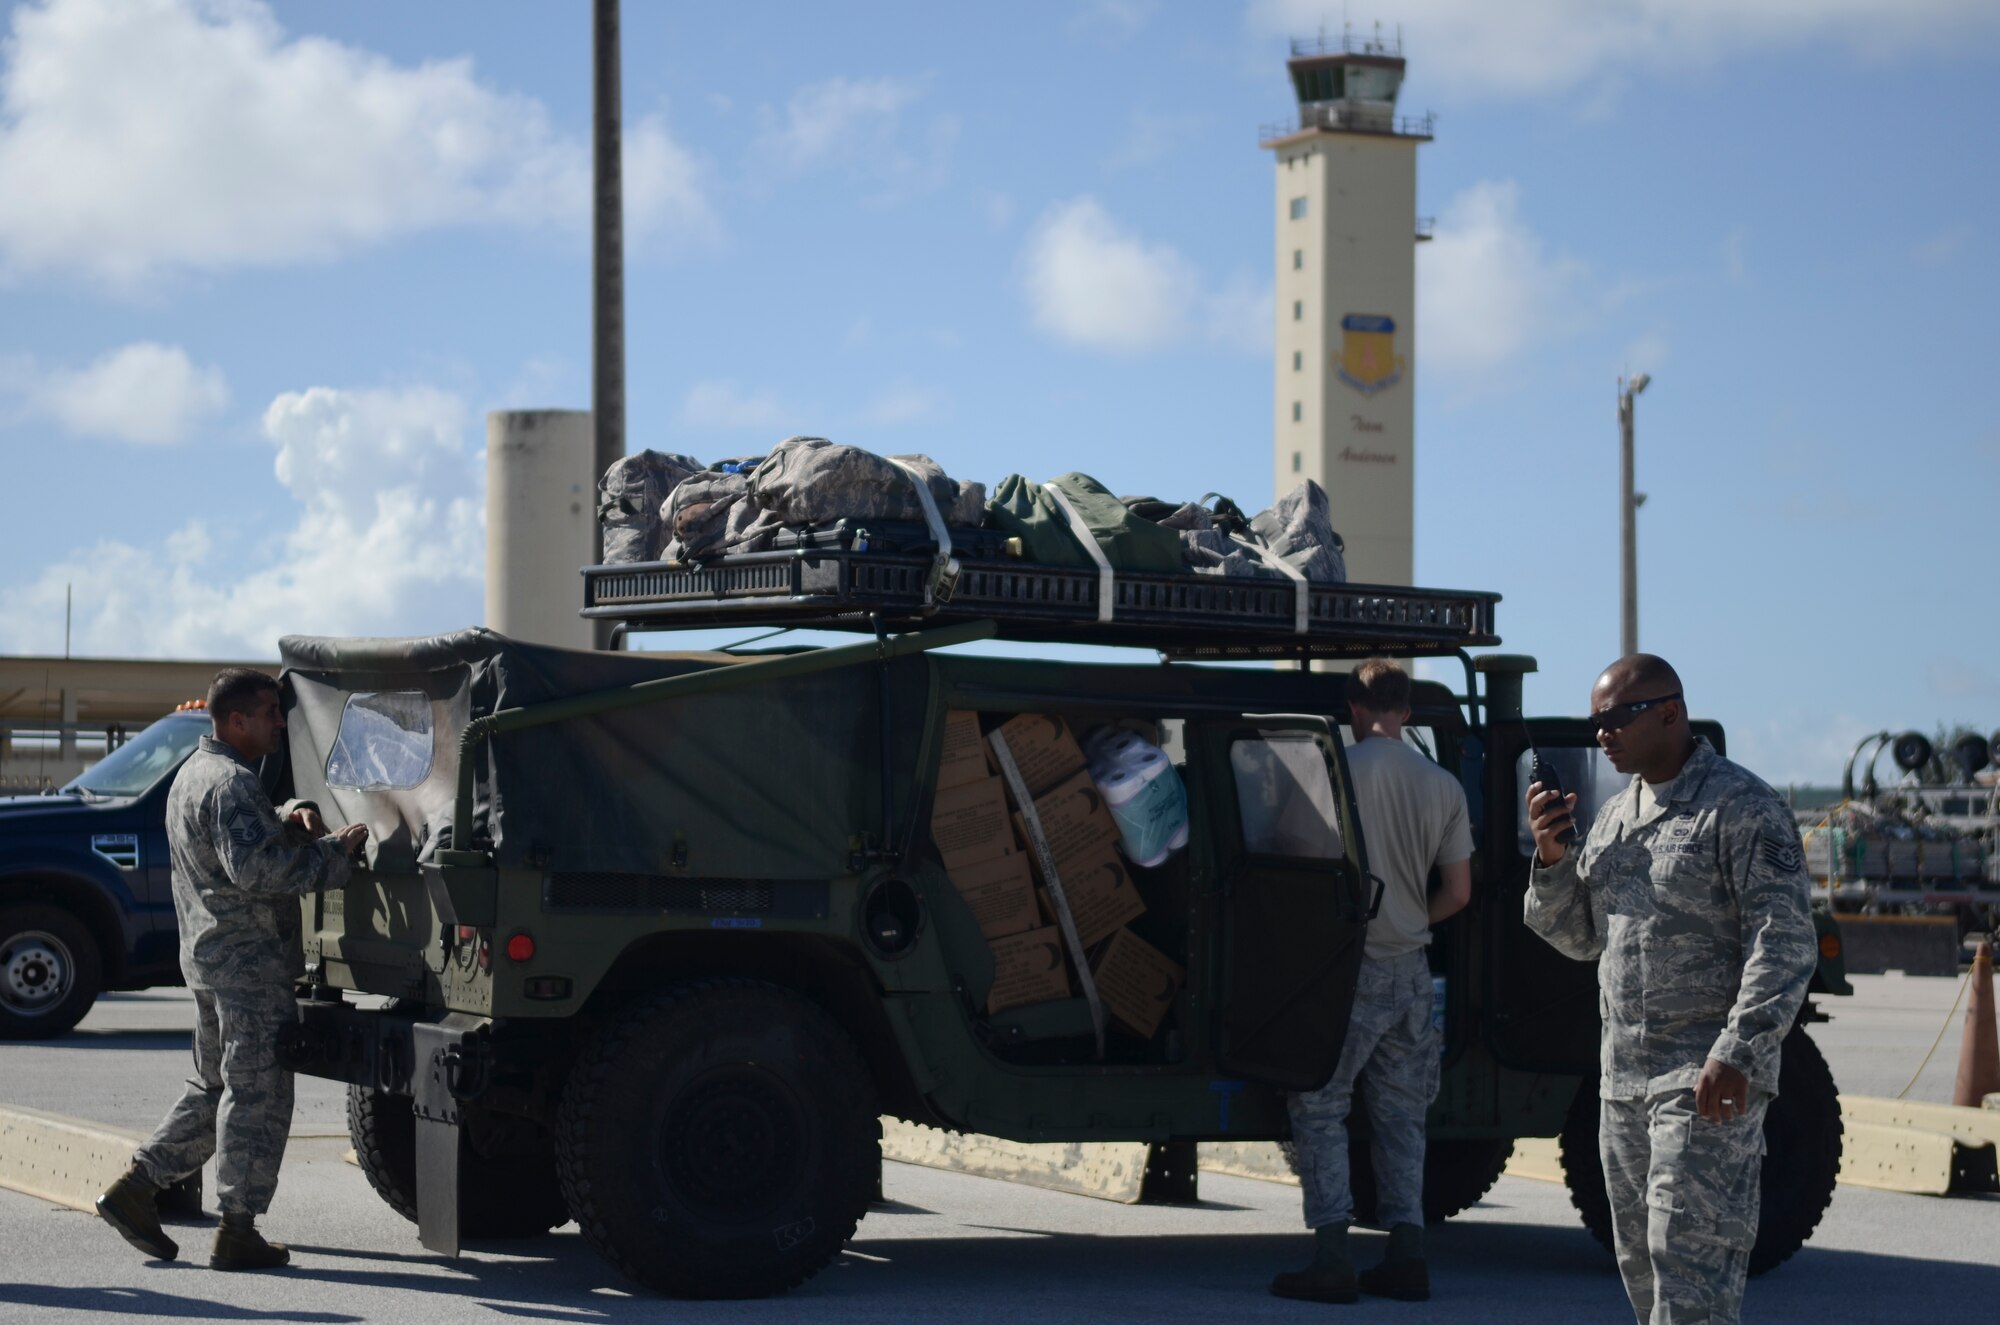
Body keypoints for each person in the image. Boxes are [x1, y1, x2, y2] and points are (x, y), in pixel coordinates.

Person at [1524, 654, 1815, 1324]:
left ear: (1668, 711)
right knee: (1646, 1277)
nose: (1603, 734)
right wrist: (1552, 859)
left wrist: (1739, 1050)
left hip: (1706, 1079)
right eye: (1595, 721)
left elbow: (1785, 941)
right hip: (1624, 1084)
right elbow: (1578, 937)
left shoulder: (1741, 808)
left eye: (1617, 717)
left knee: (1690, 1277)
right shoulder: (1614, 816)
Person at [96, 668, 366, 1271]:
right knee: (255, 1094)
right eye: (270, 712)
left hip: (210, 959)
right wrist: (333, 857)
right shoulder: (231, 783)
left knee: (217, 1086)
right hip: (249, 967)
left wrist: (288, 817)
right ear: (236, 720)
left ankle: (136, 1188)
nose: (280, 721)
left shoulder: (196, 775)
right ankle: (237, 1228)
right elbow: (256, 872)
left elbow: (238, 845)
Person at [1273, 657, 1473, 1304]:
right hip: (1411, 972)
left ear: (1353, 712)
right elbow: (1459, 892)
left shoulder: (1329, 775)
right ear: (1406, 712)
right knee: (1402, 1116)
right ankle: (1407, 1255)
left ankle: (1332, 1254)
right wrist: (1412, 915)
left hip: (1346, 969)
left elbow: (1291, 874)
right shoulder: (1443, 784)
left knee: (1318, 1103)